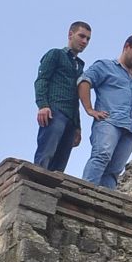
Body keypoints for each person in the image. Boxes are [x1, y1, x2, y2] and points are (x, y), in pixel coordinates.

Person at [79, 34, 132, 190]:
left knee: (114, 171)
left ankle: (104, 204)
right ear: (126, 46)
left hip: (129, 130)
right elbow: (85, 81)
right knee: (101, 156)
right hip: (109, 122)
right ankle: (84, 193)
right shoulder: (105, 66)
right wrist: (90, 109)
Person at [33, 21, 92, 172]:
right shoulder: (56, 54)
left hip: (71, 119)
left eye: (88, 39)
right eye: (81, 36)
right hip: (55, 111)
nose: (84, 41)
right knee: (46, 154)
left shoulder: (79, 66)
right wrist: (43, 105)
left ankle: (50, 191)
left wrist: (78, 126)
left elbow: (77, 97)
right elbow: (42, 79)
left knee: (60, 164)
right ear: (70, 34)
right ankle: (35, 183)